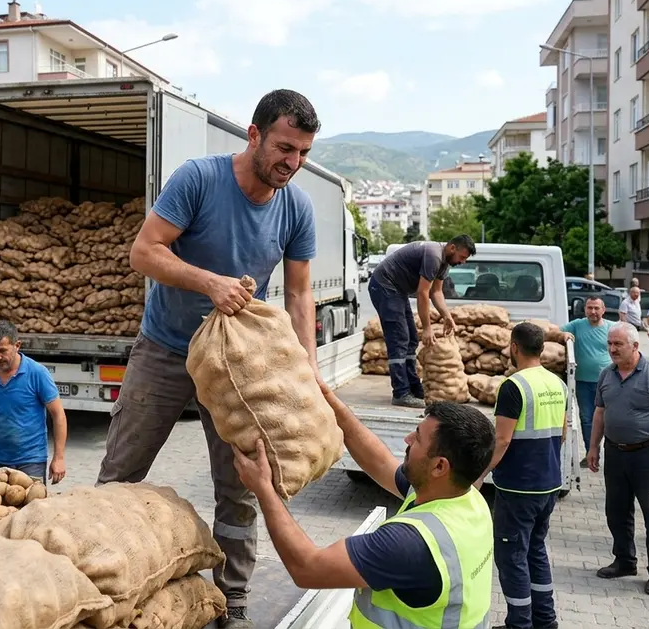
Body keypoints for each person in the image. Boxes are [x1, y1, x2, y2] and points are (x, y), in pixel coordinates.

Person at [95, 89, 323, 628]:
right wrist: (209, 282)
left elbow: (298, 294)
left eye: (303, 154)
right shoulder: (198, 179)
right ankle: (99, 574)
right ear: (254, 134)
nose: (291, 163)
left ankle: (235, 598)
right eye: (284, 148)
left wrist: (306, 368)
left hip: (237, 366)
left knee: (243, 485)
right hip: (166, 349)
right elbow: (143, 252)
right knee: (121, 474)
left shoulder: (297, 207)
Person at [232, 380, 495, 629]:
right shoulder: (466, 499)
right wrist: (330, 403)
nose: (407, 440)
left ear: (440, 466)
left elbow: (307, 568)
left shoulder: (408, 544)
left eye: (417, 438)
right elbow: (380, 462)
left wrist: (264, 489)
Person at [480, 322, 567, 629]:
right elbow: (563, 433)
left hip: (519, 487)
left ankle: (520, 623)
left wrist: (478, 476)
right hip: (548, 484)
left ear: (514, 347)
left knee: (511, 556)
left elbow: (502, 440)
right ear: (541, 348)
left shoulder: (513, 386)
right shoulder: (558, 383)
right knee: (535, 550)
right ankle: (545, 619)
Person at [587, 322, 649, 595]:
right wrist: (593, 447)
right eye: (610, 344)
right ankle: (625, 561)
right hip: (616, 453)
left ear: (635, 346)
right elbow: (599, 413)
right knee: (616, 512)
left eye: (618, 344)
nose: (612, 349)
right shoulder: (607, 374)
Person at [368, 236, 476, 407]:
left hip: (398, 290)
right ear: (452, 248)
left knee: (411, 339)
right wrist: (427, 328)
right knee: (399, 338)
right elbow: (423, 293)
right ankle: (401, 393)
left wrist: (447, 316)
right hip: (384, 286)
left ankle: (413, 387)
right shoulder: (433, 255)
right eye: (462, 257)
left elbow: (436, 293)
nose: (462, 262)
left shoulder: (444, 263)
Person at [0, 321, 68, 484]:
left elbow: (58, 415)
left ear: (17, 345)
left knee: (32, 508)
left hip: (31, 461)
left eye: (2, 351)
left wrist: (58, 458)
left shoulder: (37, 373)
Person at [561, 296, 613, 459]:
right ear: (585, 310)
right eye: (590, 308)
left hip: (607, 381)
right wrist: (564, 335)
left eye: (597, 308)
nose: (593, 311)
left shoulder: (612, 327)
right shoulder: (577, 325)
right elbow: (557, 330)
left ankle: (610, 451)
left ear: (603, 310)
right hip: (583, 382)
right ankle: (592, 451)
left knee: (609, 417)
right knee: (586, 417)